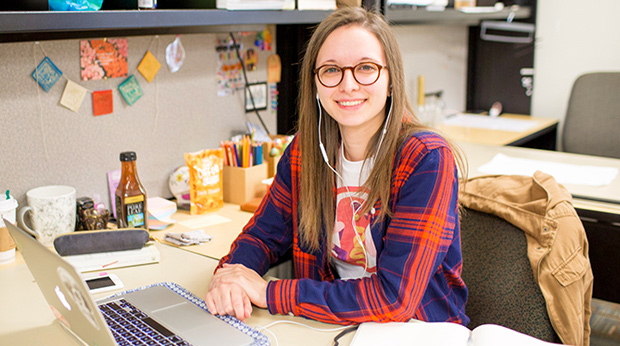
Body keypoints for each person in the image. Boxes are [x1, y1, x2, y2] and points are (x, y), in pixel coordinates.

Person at [205, 6, 469, 326]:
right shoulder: (307, 151)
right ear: (315, 83)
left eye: (366, 68)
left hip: (418, 331)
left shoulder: (426, 160)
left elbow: (394, 300)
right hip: (329, 325)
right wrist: (229, 278)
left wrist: (270, 292)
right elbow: (262, 235)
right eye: (331, 70)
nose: (348, 85)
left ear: (390, 80)